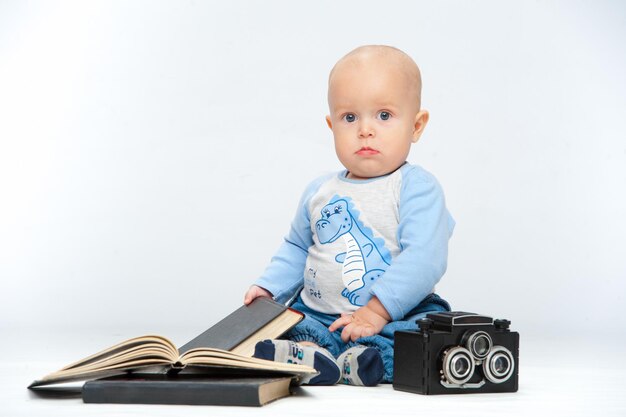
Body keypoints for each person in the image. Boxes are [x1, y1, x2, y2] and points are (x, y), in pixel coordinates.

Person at [243, 45, 455, 386]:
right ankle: (310, 352)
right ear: (332, 126)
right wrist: (269, 288)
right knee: (295, 323)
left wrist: (376, 311)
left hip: (394, 313)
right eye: (350, 117)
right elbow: (297, 247)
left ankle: (367, 359)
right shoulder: (320, 190)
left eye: (384, 115)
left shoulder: (416, 187)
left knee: (421, 328)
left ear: (416, 126)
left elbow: (425, 258)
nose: (365, 130)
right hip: (320, 312)